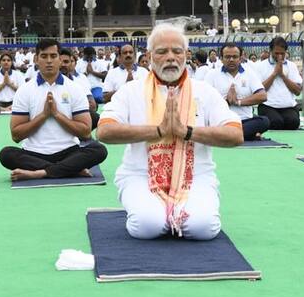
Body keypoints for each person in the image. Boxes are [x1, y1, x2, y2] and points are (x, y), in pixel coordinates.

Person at [97, 24, 243, 240]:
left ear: (186, 55)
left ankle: (171, 211)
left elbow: (235, 135)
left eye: (177, 51)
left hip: (196, 176)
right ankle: (160, 212)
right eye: (162, 51)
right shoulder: (131, 91)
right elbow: (104, 131)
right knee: (147, 227)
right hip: (141, 175)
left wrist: (186, 132)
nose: (171, 57)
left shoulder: (204, 91)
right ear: (149, 56)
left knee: (203, 229)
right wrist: (158, 131)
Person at [0, 39, 108, 180]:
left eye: (53, 56)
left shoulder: (75, 88)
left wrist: (56, 114)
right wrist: (44, 115)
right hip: (34, 152)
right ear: (36, 59)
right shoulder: (24, 90)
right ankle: (69, 169)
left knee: (99, 150)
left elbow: (85, 131)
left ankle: (42, 172)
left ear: (59, 60)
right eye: (44, 56)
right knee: (6, 154)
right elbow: (16, 135)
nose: (49, 61)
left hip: (68, 151)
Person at [205, 43, 269, 141]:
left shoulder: (249, 73)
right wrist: (226, 102)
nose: (231, 60)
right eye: (227, 57)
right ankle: (245, 135)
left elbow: (262, 96)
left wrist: (238, 102)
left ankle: (229, 135)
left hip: (245, 120)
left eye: (235, 57)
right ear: (221, 58)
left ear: (240, 58)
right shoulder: (212, 75)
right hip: (221, 120)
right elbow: (204, 100)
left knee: (264, 121)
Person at [254, 37, 302, 130]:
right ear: (270, 51)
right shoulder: (260, 66)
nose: (279, 56)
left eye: (282, 53)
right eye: (276, 53)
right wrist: (274, 74)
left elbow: (297, 91)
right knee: (276, 123)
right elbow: (259, 91)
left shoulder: (291, 66)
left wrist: (283, 76)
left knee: (293, 123)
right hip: (268, 105)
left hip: (288, 106)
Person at [60, 48, 99, 130]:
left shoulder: (78, 81)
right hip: (59, 118)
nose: (63, 64)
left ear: (72, 63)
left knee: (96, 117)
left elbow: (92, 105)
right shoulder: (49, 82)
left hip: (77, 115)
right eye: (60, 61)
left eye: (66, 62)